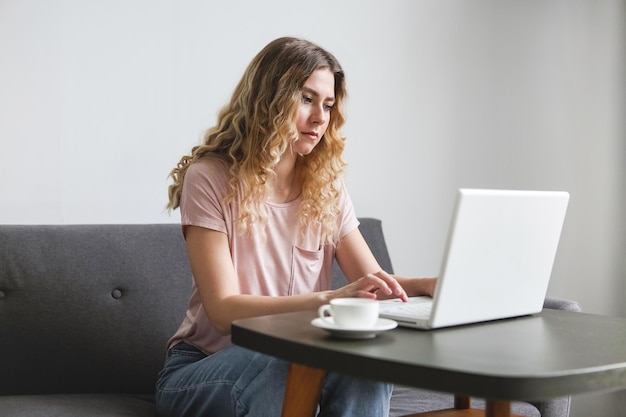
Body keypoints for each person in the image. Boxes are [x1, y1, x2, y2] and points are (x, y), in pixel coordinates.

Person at [155, 36, 436, 417]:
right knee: (282, 362)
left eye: (328, 104)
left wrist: (433, 286)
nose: (321, 118)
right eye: (307, 99)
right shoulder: (210, 178)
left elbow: (373, 283)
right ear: (269, 99)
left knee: (366, 357)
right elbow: (222, 312)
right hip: (204, 368)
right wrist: (331, 299)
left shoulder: (326, 187)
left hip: (298, 358)